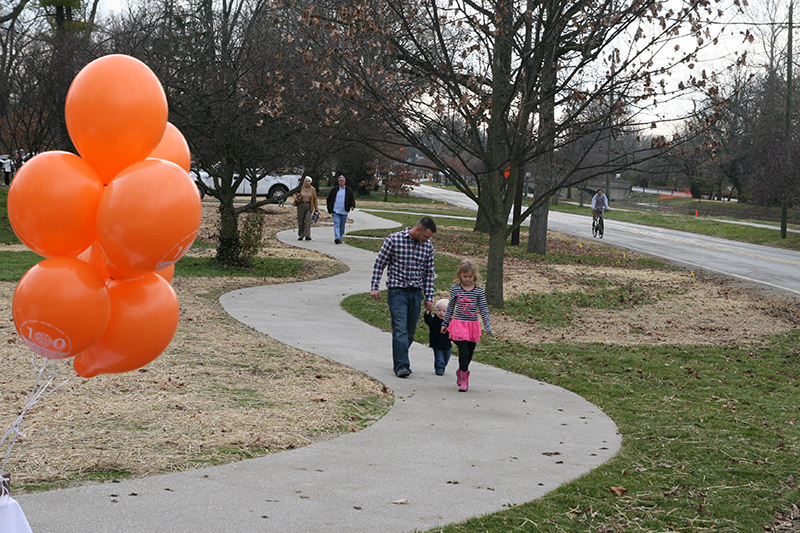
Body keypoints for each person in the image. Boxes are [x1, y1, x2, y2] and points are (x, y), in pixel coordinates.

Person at [370, 217, 437, 378]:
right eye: (426, 236)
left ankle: (400, 356)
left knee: (410, 333)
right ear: (418, 230)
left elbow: (429, 273)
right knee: (400, 330)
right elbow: (380, 263)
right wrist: (375, 286)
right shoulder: (394, 240)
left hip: (415, 294)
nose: (427, 240)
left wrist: (429, 297)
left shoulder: (427, 247)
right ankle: (401, 366)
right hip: (397, 292)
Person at [441, 259, 491, 392]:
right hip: (458, 324)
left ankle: (461, 371)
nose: (467, 279)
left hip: (472, 325)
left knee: (470, 353)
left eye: (470, 276)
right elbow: (450, 307)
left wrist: (487, 325)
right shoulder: (456, 289)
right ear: (459, 275)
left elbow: (484, 309)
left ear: (474, 275)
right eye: (464, 276)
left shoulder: (478, 290)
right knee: (463, 352)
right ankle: (464, 380)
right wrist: (445, 323)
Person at [423, 298, 451, 375]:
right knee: (439, 358)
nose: (441, 313)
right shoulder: (434, 320)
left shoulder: (449, 321)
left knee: (446, 357)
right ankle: (439, 368)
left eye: (444, 311)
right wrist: (428, 312)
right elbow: (427, 320)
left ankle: (442, 366)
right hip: (436, 343)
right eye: (439, 310)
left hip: (447, 343)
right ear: (435, 310)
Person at [326, 175, 356, 244]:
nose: (341, 181)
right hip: (335, 210)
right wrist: (329, 207)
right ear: (338, 182)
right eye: (340, 180)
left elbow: (352, 199)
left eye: (342, 180)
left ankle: (340, 237)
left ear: (345, 182)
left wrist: (352, 206)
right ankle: (337, 237)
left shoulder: (348, 190)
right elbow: (329, 199)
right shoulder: (334, 190)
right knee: (337, 223)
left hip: (344, 211)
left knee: (342, 225)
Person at [293, 176, 318, 241]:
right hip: (301, 205)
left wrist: (316, 208)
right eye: (306, 181)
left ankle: (307, 235)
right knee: (300, 221)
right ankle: (301, 235)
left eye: (309, 181)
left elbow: (315, 199)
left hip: (309, 205)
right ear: (304, 182)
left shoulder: (313, 189)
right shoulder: (301, 188)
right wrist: (296, 199)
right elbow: (294, 194)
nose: (307, 183)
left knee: (307, 220)